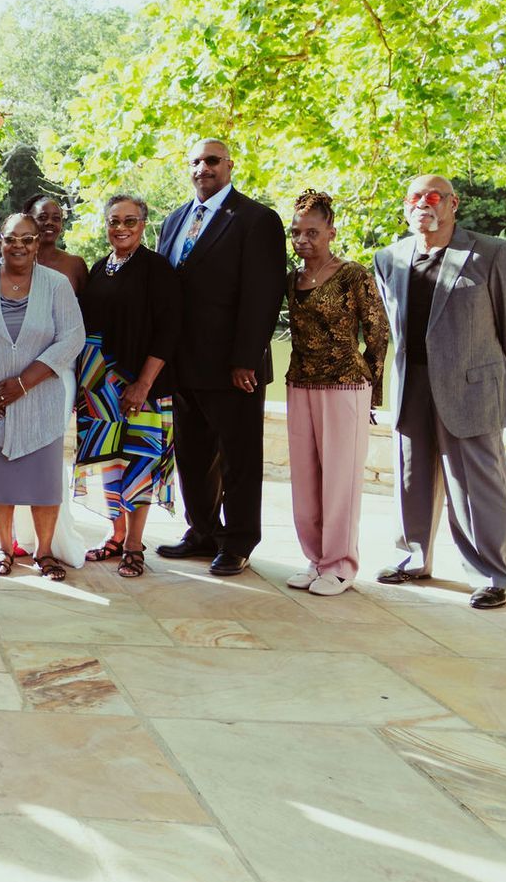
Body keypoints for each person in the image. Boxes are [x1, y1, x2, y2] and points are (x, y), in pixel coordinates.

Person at [372, 175, 506, 609]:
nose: (422, 204)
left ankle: (492, 576)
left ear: (452, 203)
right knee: (411, 478)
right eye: (414, 198)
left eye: (433, 197)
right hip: (413, 384)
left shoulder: (492, 254)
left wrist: (498, 375)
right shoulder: (389, 258)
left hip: (471, 387)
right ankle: (412, 558)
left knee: (477, 487)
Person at [152, 139, 287, 576]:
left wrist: (245, 357)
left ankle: (239, 541)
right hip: (182, 364)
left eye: (211, 160)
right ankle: (203, 531)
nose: (202, 168)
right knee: (192, 456)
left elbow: (263, 295)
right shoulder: (174, 220)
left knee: (239, 460)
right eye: (195, 161)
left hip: (234, 368)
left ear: (229, 165)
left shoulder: (256, 220)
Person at [0, 213, 86, 579]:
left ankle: (45, 553)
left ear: (36, 243)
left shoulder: (57, 285)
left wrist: (25, 382)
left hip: (40, 401)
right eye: (11, 238)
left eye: (27, 239)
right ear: (0, 240)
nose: (19, 246)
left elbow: (72, 337)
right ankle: (3, 547)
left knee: (43, 482)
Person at [284, 190, 389, 595]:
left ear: (331, 232)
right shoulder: (292, 279)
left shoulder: (353, 274)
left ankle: (341, 565)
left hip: (345, 384)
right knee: (306, 477)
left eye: (312, 232)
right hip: (301, 381)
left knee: (340, 477)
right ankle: (316, 559)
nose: (302, 240)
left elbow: (378, 332)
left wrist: (371, 388)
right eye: (296, 232)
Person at [74, 194, 180, 579]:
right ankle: (115, 536)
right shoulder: (102, 268)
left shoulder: (157, 269)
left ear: (143, 225)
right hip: (98, 385)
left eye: (129, 221)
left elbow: (169, 331)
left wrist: (143, 384)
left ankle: (134, 545)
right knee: (110, 461)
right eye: (113, 221)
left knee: (139, 462)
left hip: (141, 385)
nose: (120, 228)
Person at [25, 193, 89, 296]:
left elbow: (88, 308)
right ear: (28, 221)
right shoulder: (16, 263)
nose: (49, 222)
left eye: (56, 219)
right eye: (42, 217)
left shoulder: (76, 265)